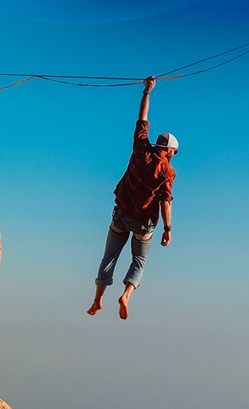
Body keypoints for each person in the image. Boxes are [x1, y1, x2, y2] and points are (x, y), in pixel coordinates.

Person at [87, 76, 178, 320]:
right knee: (139, 259)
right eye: (174, 152)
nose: (174, 155)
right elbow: (165, 202)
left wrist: (147, 91)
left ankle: (97, 301)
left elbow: (142, 118)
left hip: (121, 214)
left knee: (108, 257)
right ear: (169, 151)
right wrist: (168, 229)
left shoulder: (140, 148)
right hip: (144, 223)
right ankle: (126, 295)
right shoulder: (167, 171)